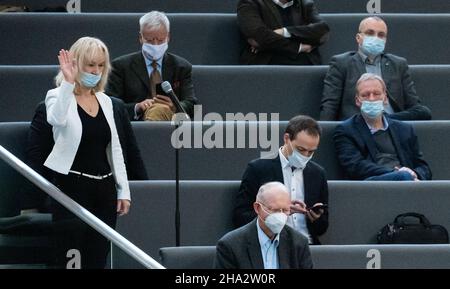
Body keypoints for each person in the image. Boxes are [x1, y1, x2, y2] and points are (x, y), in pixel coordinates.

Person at [44, 36, 131, 269]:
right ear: (76, 64)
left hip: (104, 188)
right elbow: (56, 119)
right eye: (90, 64)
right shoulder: (57, 95)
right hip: (72, 186)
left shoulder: (105, 101)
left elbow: (114, 147)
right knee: (70, 256)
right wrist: (68, 84)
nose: (96, 70)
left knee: (98, 256)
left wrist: (123, 190)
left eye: (101, 65)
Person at [20, 97, 148, 214]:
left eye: (100, 69)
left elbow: (132, 157)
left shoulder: (115, 106)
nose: (95, 72)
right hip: (67, 195)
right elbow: (36, 161)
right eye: (91, 69)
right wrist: (29, 207)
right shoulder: (50, 107)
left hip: (108, 195)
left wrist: (145, 199)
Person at [233, 115, 328, 244]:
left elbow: (322, 228)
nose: (305, 155)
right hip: (270, 242)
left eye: (311, 152)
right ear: (286, 138)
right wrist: (278, 213)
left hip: (307, 244)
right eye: (300, 149)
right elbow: (240, 217)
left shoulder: (318, 173)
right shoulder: (258, 168)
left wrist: (316, 218)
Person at [320, 16, 431, 121]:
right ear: (358, 38)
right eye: (370, 33)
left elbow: (417, 108)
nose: (376, 38)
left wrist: (388, 120)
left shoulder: (398, 64)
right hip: (357, 129)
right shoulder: (342, 63)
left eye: (381, 35)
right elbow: (330, 106)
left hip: (393, 126)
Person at [333, 73, 432, 181]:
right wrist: (397, 173)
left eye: (376, 94)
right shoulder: (346, 130)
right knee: (404, 177)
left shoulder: (405, 130)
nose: (371, 99)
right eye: (365, 95)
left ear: (385, 98)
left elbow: (424, 168)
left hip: (407, 182)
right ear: (357, 101)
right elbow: (355, 166)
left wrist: (415, 174)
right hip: (371, 185)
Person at [106, 11, 198, 121]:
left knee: (158, 110)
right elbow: (111, 105)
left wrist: (175, 105)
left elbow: (191, 103)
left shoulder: (181, 67)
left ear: (168, 37)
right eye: (149, 41)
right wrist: (137, 107)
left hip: (171, 121)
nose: (155, 45)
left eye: (160, 40)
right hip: (136, 124)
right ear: (141, 37)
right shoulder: (120, 66)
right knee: (156, 111)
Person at [215, 182, 313, 269]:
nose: (280, 215)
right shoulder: (231, 245)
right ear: (257, 208)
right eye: (274, 210)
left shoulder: (299, 243)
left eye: (285, 210)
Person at [237, 0, 330, 65]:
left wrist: (284, 31)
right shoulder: (250, 3)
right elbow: (259, 37)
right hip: (267, 64)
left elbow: (322, 31)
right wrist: (299, 47)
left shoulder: (305, 4)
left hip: (305, 63)